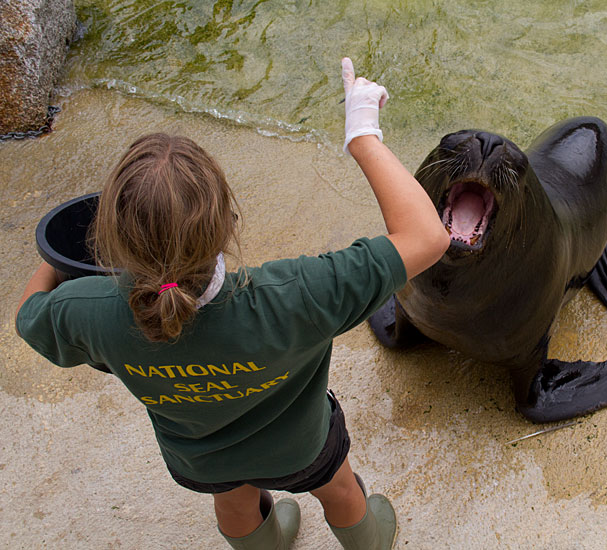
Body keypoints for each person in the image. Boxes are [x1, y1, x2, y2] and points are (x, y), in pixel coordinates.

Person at [15, 58, 449, 549]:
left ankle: (270, 542)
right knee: (341, 489)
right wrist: (362, 133)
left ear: (110, 239)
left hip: (202, 458)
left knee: (234, 501)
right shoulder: (299, 295)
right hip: (301, 445)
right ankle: (368, 541)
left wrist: (54, 262)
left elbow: (31, 315)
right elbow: (427, 236)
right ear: (230, 223)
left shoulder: (87, 311)